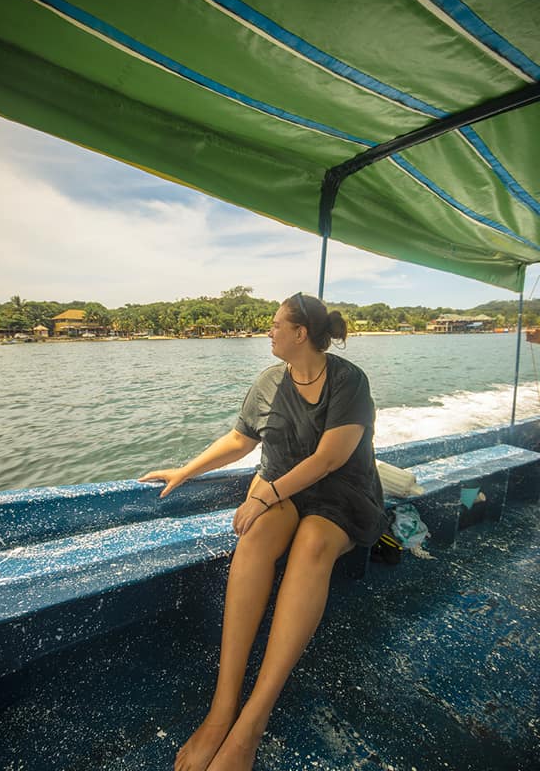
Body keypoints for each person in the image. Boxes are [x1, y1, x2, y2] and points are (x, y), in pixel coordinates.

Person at [140, 292, 387, 771]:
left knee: (313, 542)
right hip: (283, 488)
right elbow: (239, 440)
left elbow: (331, 459)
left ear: (300, 334)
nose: (268, 332)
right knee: (253, 540)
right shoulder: (268, 381)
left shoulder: (348, 380)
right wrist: (185, 471)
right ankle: (222, 709)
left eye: (276, 325)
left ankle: (252, 722)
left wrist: (264, 495)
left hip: (343, 492)